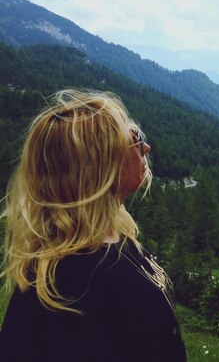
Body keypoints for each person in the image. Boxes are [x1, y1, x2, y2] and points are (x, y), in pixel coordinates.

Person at [0, 89, 186, 361]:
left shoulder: (111, 241)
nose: (146, 147)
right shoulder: (70, 286)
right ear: (100, 164)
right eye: (134, 139)